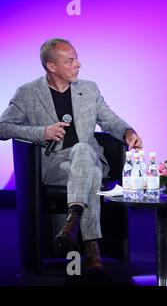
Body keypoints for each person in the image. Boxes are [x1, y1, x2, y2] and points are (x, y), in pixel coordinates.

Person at [0, 38, 143, 271]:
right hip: (55, 165)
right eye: (71, 60)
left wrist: (128, 132)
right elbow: (3, 127)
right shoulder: (27, 93)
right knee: (92, 176)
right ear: (51, 66)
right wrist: (41, 132)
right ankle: (91, 246)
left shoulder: (88, 89)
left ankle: (72, 222)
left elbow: (109, 119)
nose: (79, 64)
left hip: (90, 158)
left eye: (76, 58)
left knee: (83, 149)